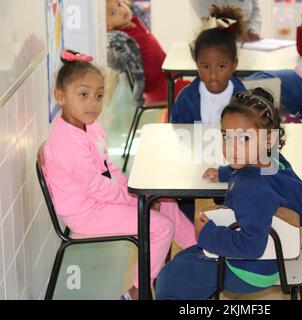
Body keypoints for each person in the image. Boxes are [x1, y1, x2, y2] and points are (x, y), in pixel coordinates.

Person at [42, 50, 197, 300]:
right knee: (161, 228)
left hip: (100, 200)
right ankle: (137, 290)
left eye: (99, 95)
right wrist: (136, 201)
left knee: (165, 202)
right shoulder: (67, 142)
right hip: (85, 212)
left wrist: (137, 191)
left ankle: (200, 252)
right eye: (83, 95)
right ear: (60, 96)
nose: (93, 103)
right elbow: (95, 186)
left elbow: (109, 169)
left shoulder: (89, 126)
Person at [155, 88, 302, 299]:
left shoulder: (251, 188)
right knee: (186, 258)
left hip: (247, 270)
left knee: (169, 279)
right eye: (226, 137)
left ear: (269, 140)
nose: (232, 147)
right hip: (275, 261)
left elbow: (251, 247)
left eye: (244, 139)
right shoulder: (276, 163)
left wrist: (208, 233)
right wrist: (225, 172)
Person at [171, 5, 248, 124]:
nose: (213, 75)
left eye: (221, 66)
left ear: (234, 65)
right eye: (205, 67)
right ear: (196, 64)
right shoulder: (185, 100)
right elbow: (175, 137)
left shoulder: (245, 102)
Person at [106, 0, 188, 102]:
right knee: (194, 90)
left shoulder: (135, 20)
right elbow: (118, 63)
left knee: (194, 85)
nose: (121, 10)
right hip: (157, 87)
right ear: (108, 25)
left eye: (119, 4)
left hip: (166, 75)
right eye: (113, 13)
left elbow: (134, 7)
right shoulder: (121, 39)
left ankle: (171, 114)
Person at [190, 0, 261, 41]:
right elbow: (213, 22)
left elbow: (255, 8)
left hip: (247, 47)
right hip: (214, 44)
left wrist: (252, 29)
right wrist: (241, 32)